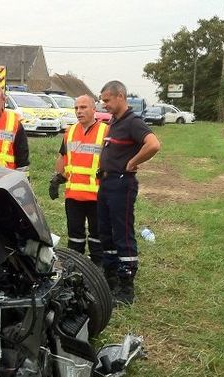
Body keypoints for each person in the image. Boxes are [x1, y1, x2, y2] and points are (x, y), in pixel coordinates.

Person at [97, 80, 161, 304]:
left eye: (107, 100)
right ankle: (110, 279)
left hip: (121, 185)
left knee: (122, 234)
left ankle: (126, 289)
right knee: (106, 233)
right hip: (106, 183)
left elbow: (153, 144)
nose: (103, 104)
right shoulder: (114, 121)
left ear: (120, 97)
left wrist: (133, 161)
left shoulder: (133, 122)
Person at [49, 95, 108, 266]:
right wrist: (56, 178)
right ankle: (74, 268)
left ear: (93, 109)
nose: (79, 111)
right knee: (75, 238)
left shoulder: (105, 131)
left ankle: (97, 271)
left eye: (83, 107)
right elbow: (63, 156)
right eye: (76, 108)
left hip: (98, 196)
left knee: (97, 238)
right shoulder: (70, 131)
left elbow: (115, 159)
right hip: (73, 195)